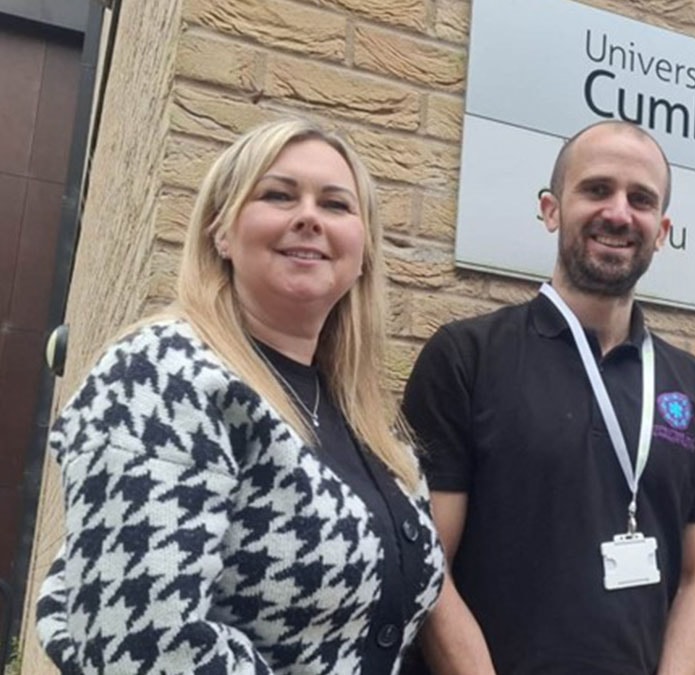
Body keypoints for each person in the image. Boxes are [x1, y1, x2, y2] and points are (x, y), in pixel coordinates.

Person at [36, 118, 444, 673]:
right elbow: (146, 648)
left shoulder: (362, 413)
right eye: (278, 195)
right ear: (220, 232)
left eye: (336, 205)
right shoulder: (160, 373)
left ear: (365, 249)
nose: (308, 217)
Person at [401, 120, 695, 674]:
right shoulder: (466, 357)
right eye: (597, 189)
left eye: (641, 199)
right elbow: (429, 563)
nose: (619, 213)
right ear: (551, 209)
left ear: (662, 230)